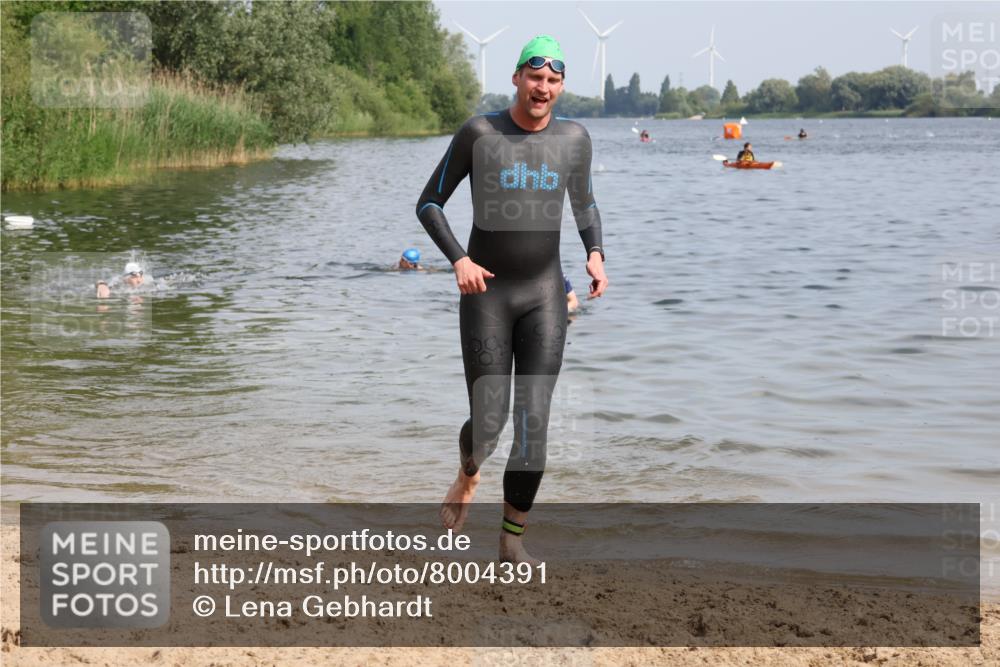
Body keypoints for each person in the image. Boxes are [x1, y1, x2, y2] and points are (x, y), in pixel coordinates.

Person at [415, 35, 608, 563]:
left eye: (552, 80)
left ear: (561, 86)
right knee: (489, 420)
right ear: (517, 78)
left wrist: (595, 253)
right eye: (534, 77)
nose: (542, 87)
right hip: (488, 295)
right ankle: (468, 472)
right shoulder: (481, 133)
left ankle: (511, 539)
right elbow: (429, 203)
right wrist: (459, 259)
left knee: (535, 420)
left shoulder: (574, 139)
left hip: (545, 294)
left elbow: (586, 205)